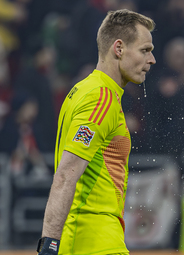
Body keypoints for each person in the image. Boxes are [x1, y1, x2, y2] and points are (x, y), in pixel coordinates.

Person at [36, 9, 156, 255]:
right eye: (145, 50)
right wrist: (48, 247)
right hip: (96, 242)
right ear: (119, 48)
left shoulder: (84, 90)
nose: (152, 59)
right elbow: (66, 175)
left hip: (84, 239)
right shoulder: (101, 99)